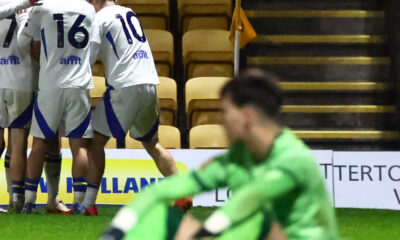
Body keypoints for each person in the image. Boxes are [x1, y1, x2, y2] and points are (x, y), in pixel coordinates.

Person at [101, 68, 339, 240]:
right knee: (158, 217)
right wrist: (117, 230)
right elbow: (162, 191)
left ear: (247, 116)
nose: (220, 120)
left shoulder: (293, 159)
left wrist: (206, 234)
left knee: (264, 221)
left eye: (225, 112)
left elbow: (248, 200)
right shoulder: (238, 156)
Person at [80, 0, 190, 216]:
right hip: (149, 85)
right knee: (152, 144)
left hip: (124, 87)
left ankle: (88, 205)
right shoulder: (129, 12)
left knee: (95, 142)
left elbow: (88, 58)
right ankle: (182, 193)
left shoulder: (100, 18)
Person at [17, 0, 95, 213]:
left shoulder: (43, 8)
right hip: (78, 84)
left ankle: (30, 202)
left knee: (40, 142)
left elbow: (32, 47)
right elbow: (93, 44)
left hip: (51, 82)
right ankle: (80, 203)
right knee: (78, 145)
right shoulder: (88, 8)